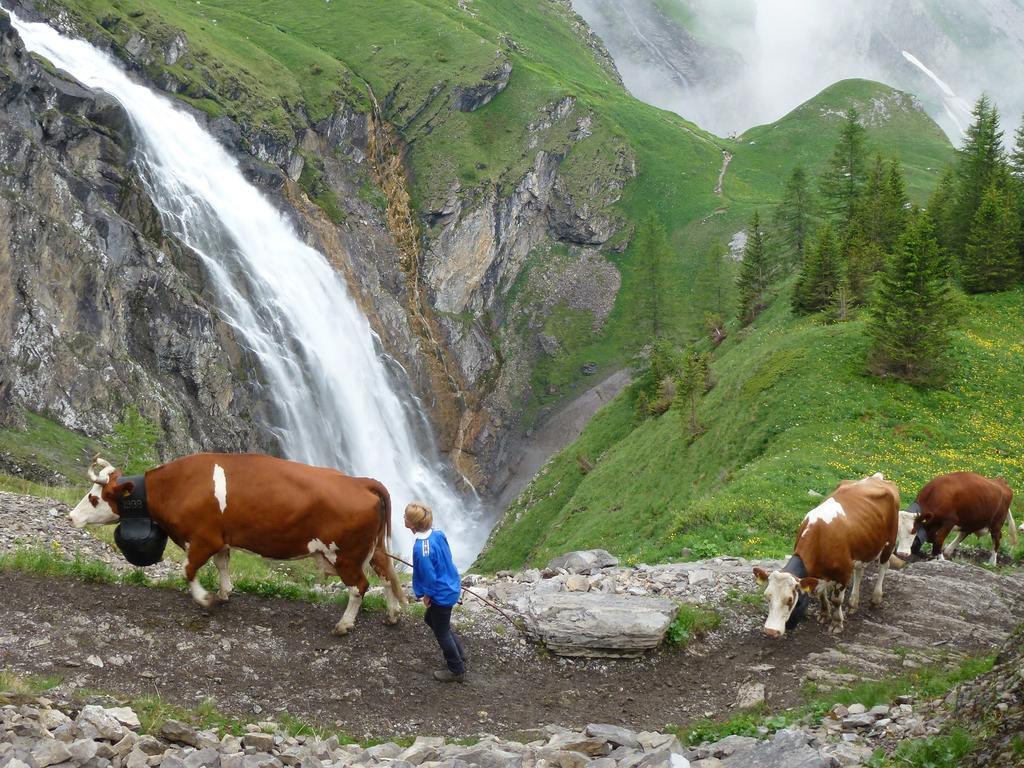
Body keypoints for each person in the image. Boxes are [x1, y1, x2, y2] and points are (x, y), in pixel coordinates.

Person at [404, 502, 467, 683]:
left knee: (441, 631)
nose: (403, 519)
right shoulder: (438, 534)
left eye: (405, 517)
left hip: (440, 594)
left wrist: (427, 595)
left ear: (413, 524)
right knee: (431, 620)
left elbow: (429, 577)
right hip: (450, 585)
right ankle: (460, 654)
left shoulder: (421, 548)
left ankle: (457, 670)